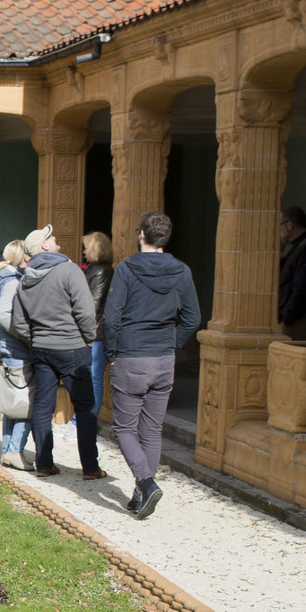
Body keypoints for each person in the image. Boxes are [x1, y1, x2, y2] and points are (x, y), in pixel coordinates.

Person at [101, 210, 202, 518]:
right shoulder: (181, 270)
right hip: (163, 359)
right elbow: (193, 318)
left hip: (132, 355)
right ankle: (140, 494)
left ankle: (146, 483)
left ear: (141, 234)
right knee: (152, 429)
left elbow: (112, 317)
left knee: (124, 428)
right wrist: (173, 343)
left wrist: (111, 353)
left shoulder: (127, 269)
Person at [10, 223, 104, 481]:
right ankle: (90, 467)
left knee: (42, 407)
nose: (55, 239)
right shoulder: (69, 270)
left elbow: (18, 322)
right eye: (50, 237)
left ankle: (44, 464)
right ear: (45, 246)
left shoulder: (25, 278)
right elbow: (85, 311)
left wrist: (36, 338)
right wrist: (88, 338)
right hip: (72, 347)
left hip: (41, 349)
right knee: (85, 407)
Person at [0, 240, 33, 468]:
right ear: (23, 257)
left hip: (7, 348)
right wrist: (27, 336)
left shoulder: (4, 278)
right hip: (15, 348)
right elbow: (3, 314)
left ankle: (7, 450)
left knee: (12, 402)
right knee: (26, 402)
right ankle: (15, 449)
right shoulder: (12, 282)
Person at [81, 230, 114, 418]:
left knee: (93, 376)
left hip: (96, 332)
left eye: (86, 248)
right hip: (93, 331)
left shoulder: (101, 270)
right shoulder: (95, 269)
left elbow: (92, 304)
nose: (84, 252)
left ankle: (87, 419)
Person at [279, 205, 306, 341]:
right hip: (295, 319)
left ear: (289, 225)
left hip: (300, 322)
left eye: (279, 225)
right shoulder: (297, 248)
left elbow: (302, 288)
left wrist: (287, 318)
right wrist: (276, 251)